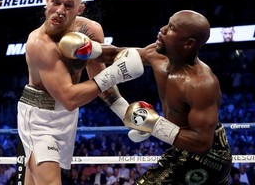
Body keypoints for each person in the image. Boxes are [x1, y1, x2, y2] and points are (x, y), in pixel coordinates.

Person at [17, 0, 144, 185]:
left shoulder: (91, 31)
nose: (60, 10)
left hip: (67, 116)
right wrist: (118, 72)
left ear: (80, 9)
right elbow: (68, 97)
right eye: (55, 2)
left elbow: (98, 79)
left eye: (68, 6)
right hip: (38, 115)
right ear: (47, 1)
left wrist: (125, 112)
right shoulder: (39, 42)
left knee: (33, 181)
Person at [94, 10, 233, 184]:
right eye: (167, 23)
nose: (163, 29)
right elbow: (115, 54)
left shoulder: (201, 84)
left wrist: (153, 124)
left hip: (208, 158)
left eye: (172, 28)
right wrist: (87, 49)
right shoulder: (155, 54)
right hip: (180, 148)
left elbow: (202, 144)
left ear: (189, 43)